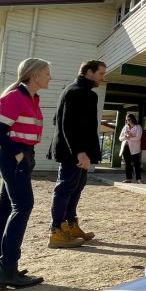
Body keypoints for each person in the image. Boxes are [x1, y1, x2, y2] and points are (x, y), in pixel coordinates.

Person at [0, 58, 50, 289]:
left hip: (20, 157)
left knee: (4, 209)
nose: (50, 77)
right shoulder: (15, 97)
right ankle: (8, 269)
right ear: (34, 75)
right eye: (47, 73)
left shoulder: (32, 98)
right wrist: (19, 153)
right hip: (14, 157)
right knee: (23, 206)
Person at [48, 59, 106, 248]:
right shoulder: (76, 91)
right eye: (100, 74)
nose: (102, 78)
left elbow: (59, 120)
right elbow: (66, 124)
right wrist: (79, 152)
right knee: (65, 188)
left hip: (80, 152)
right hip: (73, 152)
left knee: (76, 187)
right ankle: (56, 231)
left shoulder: (83, 92)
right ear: (89, 72)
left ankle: (71, 225)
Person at [119, 113, 143, 184]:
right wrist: (126, 137)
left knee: (136, 163)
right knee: (127, 163)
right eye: (126, 120)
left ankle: (139, 179)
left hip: (134, 148)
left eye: (129, 119)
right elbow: (120, 138)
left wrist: (129, 138)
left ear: (132, 119)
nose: (127, 121)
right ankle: (128, 178)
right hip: (126, 147)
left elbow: (138, 138)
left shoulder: (138, 127)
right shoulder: (125, 127)